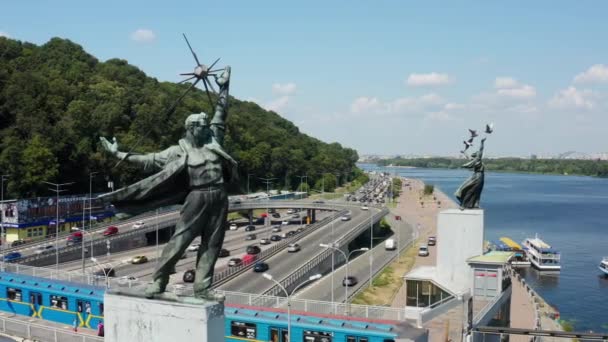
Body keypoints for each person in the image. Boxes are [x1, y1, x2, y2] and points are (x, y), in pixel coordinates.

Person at [99, 67, 236, 301]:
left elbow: (221, 112)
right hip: (197, 198)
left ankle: (202, 288)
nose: (207, 127)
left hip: (220, 197)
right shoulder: (177, 151)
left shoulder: (213, 142)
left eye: (206, 124)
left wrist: (223, 87)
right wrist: (117, 154)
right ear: (191, 128)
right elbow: (148, 160)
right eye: (202, 125)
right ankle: (159, 282)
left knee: (212, 244)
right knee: (180, 241)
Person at [455, 137, 486, 209]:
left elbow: (480, 150)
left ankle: (468, 204)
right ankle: (467, 204)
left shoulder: (477, 160)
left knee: (473, 190)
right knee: (471, 190)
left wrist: (482, 142)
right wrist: (465, 152)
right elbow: (469, 157)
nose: (479, 154)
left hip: (478, 177)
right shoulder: (476, 160)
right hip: (478, 176)